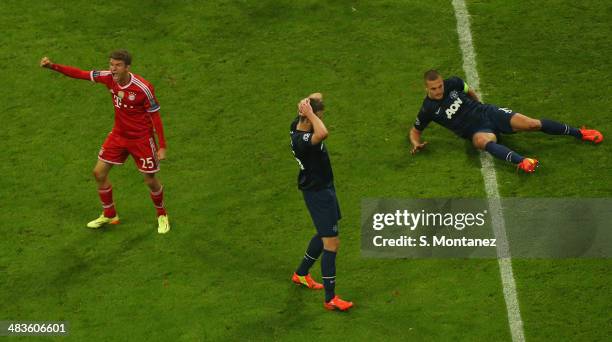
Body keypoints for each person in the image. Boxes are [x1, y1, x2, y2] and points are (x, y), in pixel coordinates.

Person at [40, 50, 170, 233]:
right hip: (118, 135)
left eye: (117, 65)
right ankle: (110, 214)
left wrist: (162, 146)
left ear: (127, 67)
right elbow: (81, 74)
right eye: (111, 64)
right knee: (98, 173)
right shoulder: (108, 77)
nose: (113, 69)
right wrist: (53, 66)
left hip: (141, 139)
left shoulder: (143, 88)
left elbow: (155, 117)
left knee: (150, 180)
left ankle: (161, 214)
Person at [410, 70, 603, 172]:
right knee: (481, 143)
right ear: (426, 88)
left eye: (440, 86)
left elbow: (468, 89)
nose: (439, 90)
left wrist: (479, 104)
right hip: (476, 131)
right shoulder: (428, 109)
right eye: (434, 88)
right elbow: (415, 130)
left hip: (488, 113)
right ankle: (523, 162)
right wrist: (416, 143)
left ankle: (580, 133)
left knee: (532, 124)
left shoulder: (453, 82)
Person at [289, 94, 353, 311]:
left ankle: (301, 274)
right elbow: (323, 133)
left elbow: (317, 95)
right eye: (318, 118)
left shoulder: (296, 124)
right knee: (331, 243)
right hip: (318, 193)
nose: (321, 121)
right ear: (308, 119)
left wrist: (306, 103)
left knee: (324, 231)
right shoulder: (302, 141)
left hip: (324, 187)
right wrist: (310, 113)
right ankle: (330, 299)